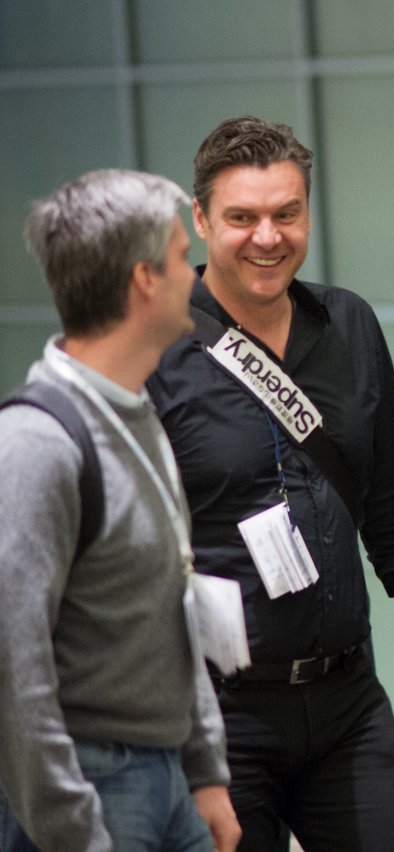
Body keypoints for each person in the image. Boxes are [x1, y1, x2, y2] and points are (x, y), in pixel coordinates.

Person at [145, 116, 394, 851]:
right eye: (242, 218)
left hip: (346, 702)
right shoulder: (157, 351)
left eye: (286, 214)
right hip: (221, 717)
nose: (268, 236)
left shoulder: (349, 324)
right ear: (200, 221)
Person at [0, 170, 240, 850]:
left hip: (169, 784)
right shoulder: (35, 443)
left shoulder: (137, 415)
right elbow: (13, 666)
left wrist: (205, 772)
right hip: (91, 788)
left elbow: (172, 607)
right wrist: (72, 826)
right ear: (143, 281)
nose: (190, 275)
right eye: (175, 255)